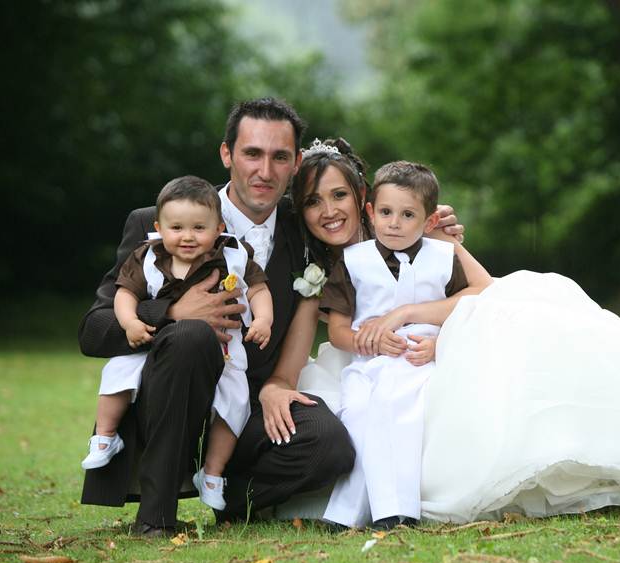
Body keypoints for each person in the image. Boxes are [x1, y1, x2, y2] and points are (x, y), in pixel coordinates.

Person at [283, 140, 620, 524]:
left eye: (339, 195)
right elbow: (336, 330)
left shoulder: (417, 226)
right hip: (371, 360)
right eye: (313, 201)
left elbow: (484, 289)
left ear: (362, 199)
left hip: (450, 327)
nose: (329, 210)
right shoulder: (317, 265)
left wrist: (425, 318)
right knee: (378, 406)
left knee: (539, 337)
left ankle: (597, 444)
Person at [79, 99, 466, 535]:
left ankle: (231, 497)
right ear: (227, 154)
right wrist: (170, 312)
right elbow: (93, 331)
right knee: (191, 336)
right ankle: (156, 516)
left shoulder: (304, 225)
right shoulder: (162, 221)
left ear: (296, 163)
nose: (265, 171)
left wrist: (428, 230)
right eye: (252, 154)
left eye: (279, 157)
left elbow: (358, 217)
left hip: (249, 409)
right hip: (172, 399)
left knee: (330, 445)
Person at [81, 176, 273, 513]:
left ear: (219, 228)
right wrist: (132, 323)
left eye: (199, 228)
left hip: (226, 352)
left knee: (235, 404)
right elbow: (124, 295)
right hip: (154, 346)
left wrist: (263, 320)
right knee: (118, 373)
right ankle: (106, 437)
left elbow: (257, 289)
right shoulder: (148, 256)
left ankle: (212, 473)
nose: (187, 236)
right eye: (177, 228)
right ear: (159, 228)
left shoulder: (233, 255)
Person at [320, 160, 477, 529]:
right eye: (386, 212)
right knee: (357, 412)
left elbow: (471, 302)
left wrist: (439, 346)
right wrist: (366, 342)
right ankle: (347, 511)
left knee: (396, 404)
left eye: (408, 215)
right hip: (367, 362)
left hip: (418, 359)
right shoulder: (353, 262)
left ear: (429, 221)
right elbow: (337, 331)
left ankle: (396, 510)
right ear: (370, 212)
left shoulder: (444, 257)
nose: (394, 223)